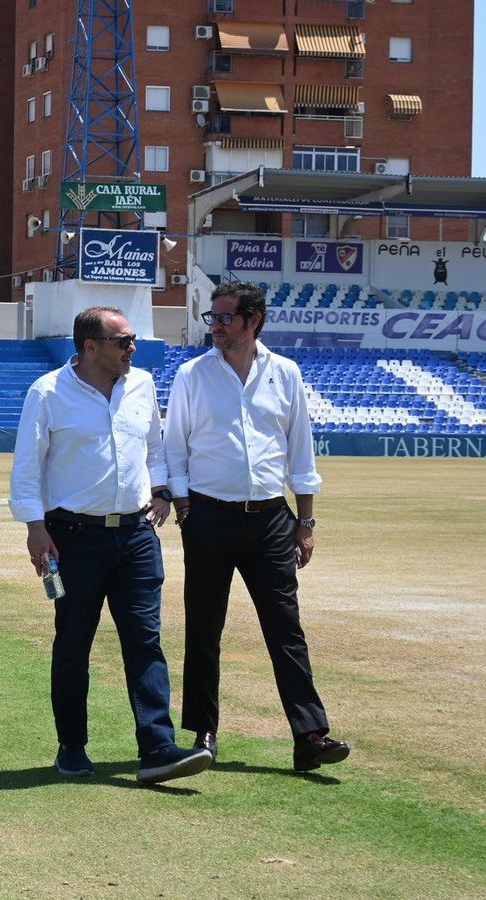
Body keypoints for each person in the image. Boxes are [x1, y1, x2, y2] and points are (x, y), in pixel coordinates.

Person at [8, 306, 212, 785]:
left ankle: (158, 746)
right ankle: (72, 747)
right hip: (72, 538)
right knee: (73, 643)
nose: (132, 348)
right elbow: (27, 466)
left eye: (133, 339)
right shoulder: (48, 392)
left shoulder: (142, 384)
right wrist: (35, 528)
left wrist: (160, 491)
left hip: (137, 535)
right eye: (123, 340)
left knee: (145, 640)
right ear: (90, 346)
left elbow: (155, 448)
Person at [165, 281, 351, 772]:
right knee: (204, 628)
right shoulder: (191, 375)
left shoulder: (285, 373)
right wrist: (184, 508)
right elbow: (175, 446)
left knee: (285, 628)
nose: (217, 327)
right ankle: (204, 735)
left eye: (226, 318)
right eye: (213, 318)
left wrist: (305, 520)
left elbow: (300, 450)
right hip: (207, 516)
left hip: (271, 520)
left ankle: (310, 735)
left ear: (253, 321)